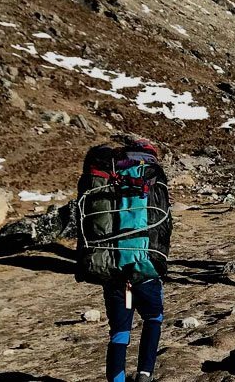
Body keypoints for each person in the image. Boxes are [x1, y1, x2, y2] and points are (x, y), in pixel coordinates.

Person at [75, 138, 172, 382]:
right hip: (144, 264)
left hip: (109, 266)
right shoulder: (149, 174)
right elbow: (162, 225)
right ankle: (144, 374)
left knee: (119, 332)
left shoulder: (105, 177)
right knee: (153, 318)